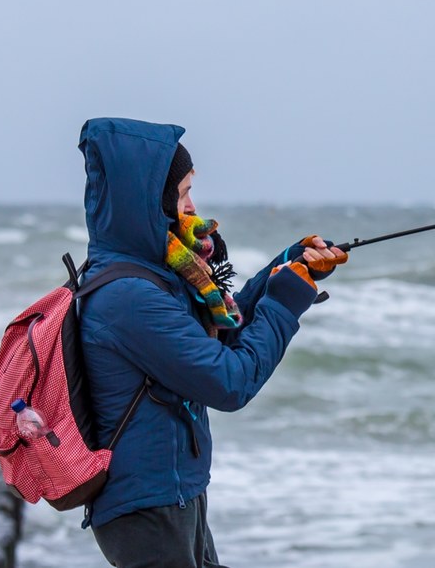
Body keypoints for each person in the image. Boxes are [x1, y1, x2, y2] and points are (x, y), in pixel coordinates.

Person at [77, 117, 346, 567]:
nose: (192, 205)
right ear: (151, 202)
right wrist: (284, 305)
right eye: (182, 194)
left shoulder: (153, 274)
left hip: (175, 495)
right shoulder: (129, 296)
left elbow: (217, 336)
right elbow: (229, 381)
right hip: (149, 508)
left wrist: (285, 270)